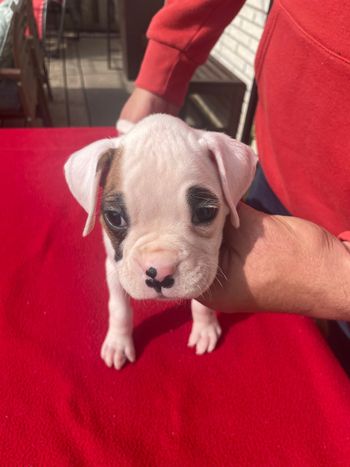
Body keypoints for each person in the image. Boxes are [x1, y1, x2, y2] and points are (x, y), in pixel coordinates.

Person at [118, 0, 350, 323]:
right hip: (274, 172)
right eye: (117, 218)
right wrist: (163, 69)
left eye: (202, 211)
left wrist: (336, 275)